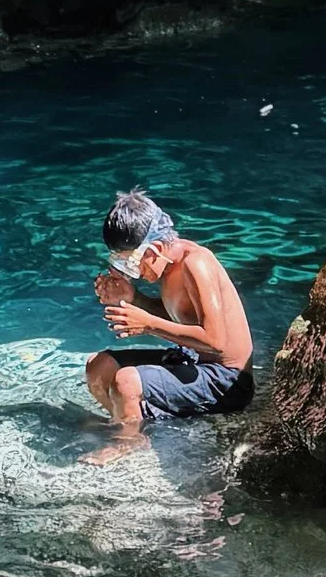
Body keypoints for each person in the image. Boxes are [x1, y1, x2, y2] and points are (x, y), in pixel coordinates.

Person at [83, 190, 255, 459]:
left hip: (227, 380)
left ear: (153, 250)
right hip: (191, 360)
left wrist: (148, 324)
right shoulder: (166, 265)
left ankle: (128, 445)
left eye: (131, 261)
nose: (133, 272)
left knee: (127, 381)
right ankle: (129, 424)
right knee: (99, 366)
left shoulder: (196, 263)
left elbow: (216, 341)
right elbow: (179, 316)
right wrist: (135, 298)